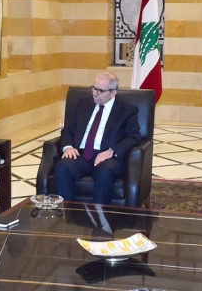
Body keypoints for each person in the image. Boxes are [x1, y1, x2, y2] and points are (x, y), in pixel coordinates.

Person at [54, 72, 142, 206]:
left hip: (108, 157)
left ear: (113, 93)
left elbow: (134, 137)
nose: (94, 93)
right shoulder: (82, 104)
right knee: (62, 167)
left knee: (104, 171)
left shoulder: (127, 110)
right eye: (93, 88)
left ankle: (100, 216)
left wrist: (112, 151)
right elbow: (67, 130)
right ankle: (70, 213)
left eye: (100, 91)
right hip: (81, 154)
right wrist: (68, 147)